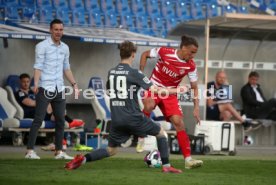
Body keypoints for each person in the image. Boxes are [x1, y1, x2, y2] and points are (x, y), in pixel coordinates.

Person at [65, 41, 184, 173]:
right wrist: (177, 90)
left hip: (117, 118)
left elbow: (110, 90)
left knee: (111, 150)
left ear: (121, 54)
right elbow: (155, 90)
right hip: (133, 116)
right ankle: (166, 166)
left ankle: (82, 159)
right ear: (133, 55)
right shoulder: (135, 73)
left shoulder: (111, 72)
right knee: (161, 134)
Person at [139, 35, 203, 169]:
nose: (193, 56)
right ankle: (141, 135)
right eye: (191, 52)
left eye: (195, 53)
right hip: (154, 88)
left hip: (170, 94)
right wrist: (140, 74)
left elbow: (194, 87)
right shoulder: (164, 52)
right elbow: (145, 54)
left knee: (179, 122)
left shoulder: (190, 66)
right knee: (149, 105)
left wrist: (196, 107)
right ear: (183, 48)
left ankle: (188, 160)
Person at [25, 19, 79, 160]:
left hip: (59, 88)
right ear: (50, 30)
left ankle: (59, 152)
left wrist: (74, 84)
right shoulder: (41, 46)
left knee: (60, 120)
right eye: (56, 29)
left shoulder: (65, 48)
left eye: (61, 30)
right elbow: (38, 66)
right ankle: (30, 151)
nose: (58, 32)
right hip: (44, 87)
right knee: (38, 119)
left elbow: (66, 68)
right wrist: (36, 83)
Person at [15, 73, 84, 128]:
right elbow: (28, 102)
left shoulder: (32, 91)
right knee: (53, 107)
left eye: (27, 81)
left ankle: (68, 126)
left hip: (40, 111)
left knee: (56, 113)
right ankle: (70, 121)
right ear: (19, 82)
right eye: (23, 82)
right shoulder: (20, 92)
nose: (26, 83)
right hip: (29, 112)